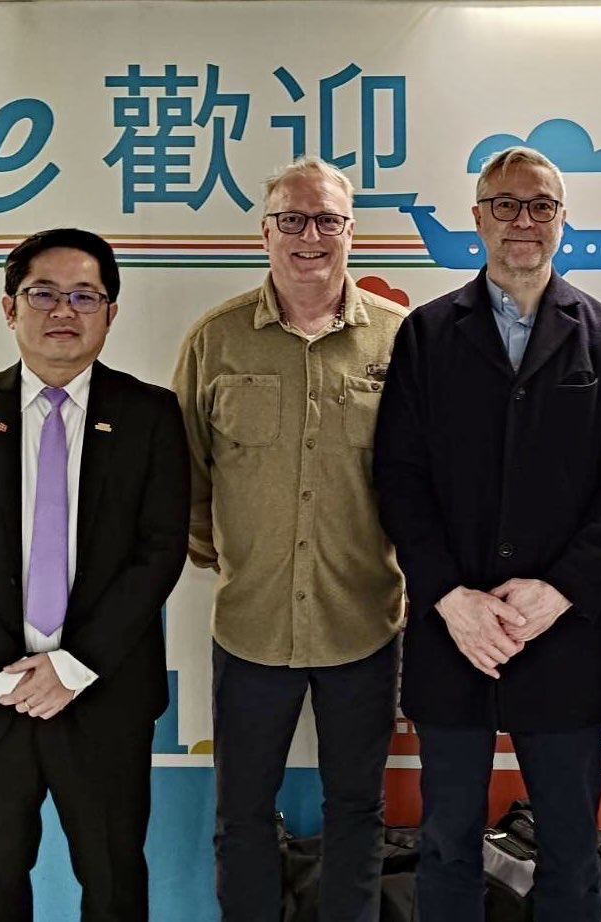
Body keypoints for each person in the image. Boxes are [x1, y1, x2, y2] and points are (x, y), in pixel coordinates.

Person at [372, 146, 601, 921]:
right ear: (477, 219)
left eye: (540, 205)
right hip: (452, 634)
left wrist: (560, 589)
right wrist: (447, 597)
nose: (522, 221)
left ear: (563, 220)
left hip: (564, 634)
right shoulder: (428, 333)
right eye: (504, 204)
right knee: (446, 847)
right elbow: (398, 475)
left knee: (569, 849)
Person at [0, 228, 190, 921]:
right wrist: (2, 671)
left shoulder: (149, 414)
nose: (64, 310)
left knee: (115, 888)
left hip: (104, 694)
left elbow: (158, 551)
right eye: (43, 294)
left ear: (110, 312)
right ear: (10, 308)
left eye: (85, 295)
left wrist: (73, 664)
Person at [171, 155, 407, 921]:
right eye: (293, 219)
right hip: (251, 626)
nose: (311, 236)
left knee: (357, 810)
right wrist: (231, 557)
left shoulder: (399, 342)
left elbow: (424, 481)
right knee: (242, 814)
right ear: (265, 232)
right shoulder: (215, 341)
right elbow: (185, 477)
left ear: (351, 232)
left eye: (327, 220)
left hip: (363, 623)